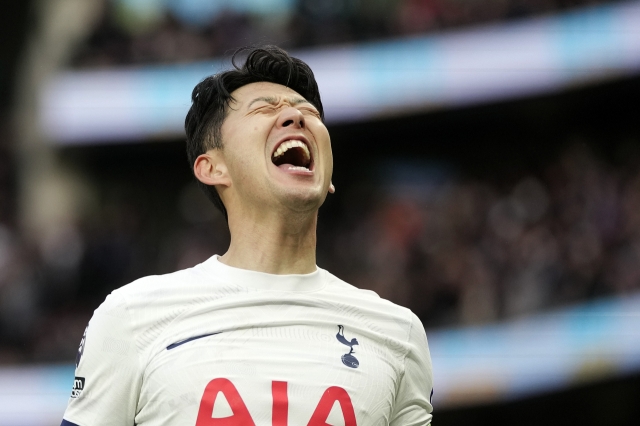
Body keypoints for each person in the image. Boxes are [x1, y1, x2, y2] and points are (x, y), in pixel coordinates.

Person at [61, 46, 433, 426]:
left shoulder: (398, 334)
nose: (295, 116)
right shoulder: (130, 318)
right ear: (212, 167)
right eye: (265, 109)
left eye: (309, 112)